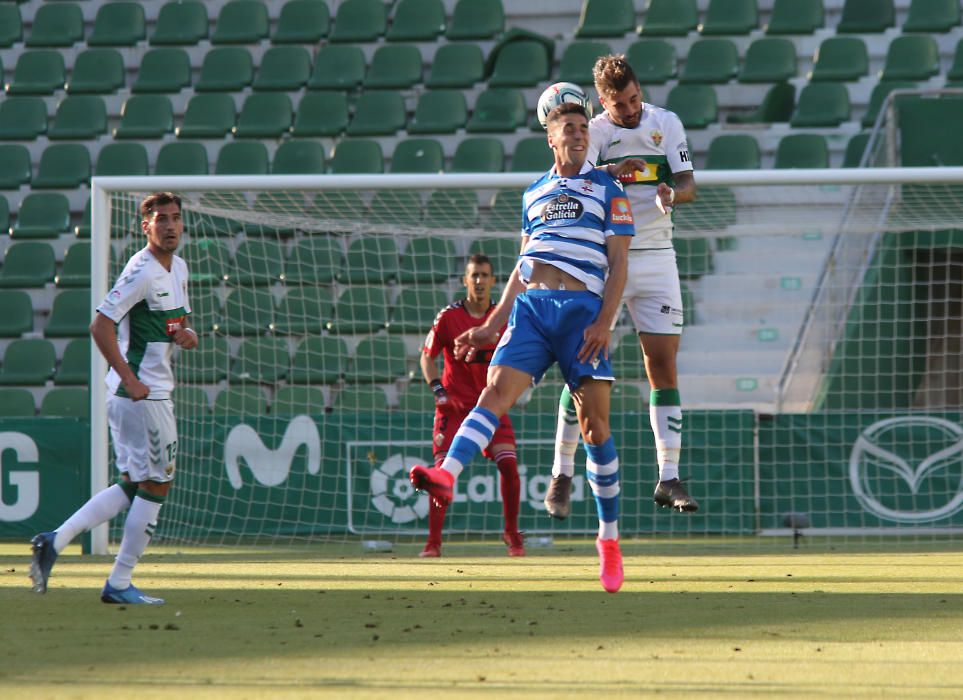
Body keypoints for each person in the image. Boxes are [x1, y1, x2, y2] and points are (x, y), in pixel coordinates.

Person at [409, 102, 635, 593]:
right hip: (532, 310)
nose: (577, 135)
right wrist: (492, 324)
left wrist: (605, 321)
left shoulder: (608, 189)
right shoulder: (534, 193)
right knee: (494, 391)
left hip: (582, 313)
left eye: (582, 129)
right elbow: (523, 266)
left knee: (596, 429)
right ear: (551, 139)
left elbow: (619, 265)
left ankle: (609, 541)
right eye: (568, 129)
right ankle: (446, 474)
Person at [543, 54, 700, 521]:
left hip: (655, 256)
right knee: (582, 365)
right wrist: (615, 171)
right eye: (620, 104)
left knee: (663, 365)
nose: (631, 109)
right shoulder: (594, 132)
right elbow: (578, 179)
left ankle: (668, 476)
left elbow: (689, 181)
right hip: (604, 259)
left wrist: (673, 192)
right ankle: (561, 472)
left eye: (634, 99)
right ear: (604, 102)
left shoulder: (665, 123)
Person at [29, 192, 196, 605]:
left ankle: (54, 540)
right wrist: (130, 379)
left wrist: (184, 334)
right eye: (161, 219)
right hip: (142, 394)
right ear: (146, 227)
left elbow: (174, 323)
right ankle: (119, 582)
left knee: (133, 482)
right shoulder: (140, 270)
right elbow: (100, 326)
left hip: (143, 391)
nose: (170, 226)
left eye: (176, 218)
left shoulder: (178, 269)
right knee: (158, 483)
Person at [418, 254, 524, 558]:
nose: (479, 281)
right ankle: (433, 542)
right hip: (454, 408)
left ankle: (511, 534)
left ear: (493, 281)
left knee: (509, 466)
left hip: (491, 405)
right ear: (465, 280)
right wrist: (438, 389)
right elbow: (427, 355)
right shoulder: (448, 317)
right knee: (441, 473)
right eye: (474, 275)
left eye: (484, 275)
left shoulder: (505, 317)